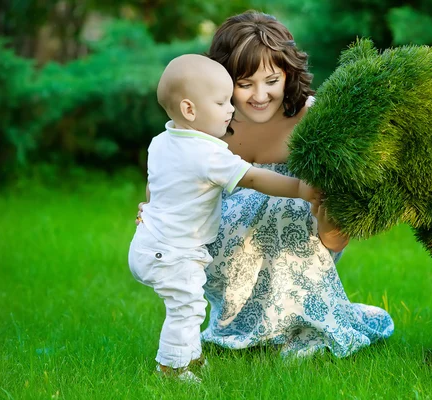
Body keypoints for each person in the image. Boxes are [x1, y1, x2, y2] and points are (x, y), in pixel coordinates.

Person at [138, 10, 394, 358]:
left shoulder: (313, 120)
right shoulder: (208, 125)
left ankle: (304, 325)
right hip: (221, 245)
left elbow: (337, 226)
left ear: (288, 75)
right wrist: (155, 213)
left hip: (305, 235)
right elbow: (169, 174)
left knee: (282, 204)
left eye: (271, 81)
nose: (260, 95)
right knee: (244, 205)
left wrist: (326, 215)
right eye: (245, 85)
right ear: (223, 82)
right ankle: (243, 325)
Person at [128, 53, 321, 383]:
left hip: (149, 244)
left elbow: (153, 187)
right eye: (221, 102)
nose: (231, 109)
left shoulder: (161, 142)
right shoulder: (208, 153)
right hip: (176, 252)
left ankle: (192, 355)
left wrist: (152, 210)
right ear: (190, 110)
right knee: (186, 308)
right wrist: (302, 189)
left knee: (188, 305)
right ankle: (171, 369)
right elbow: (254, 178)